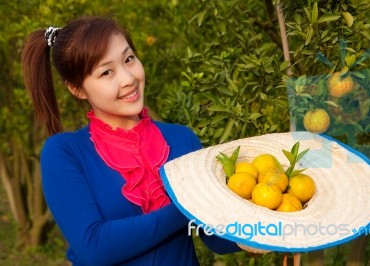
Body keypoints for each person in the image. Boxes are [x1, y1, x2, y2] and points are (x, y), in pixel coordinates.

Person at [21, 16, 240, 265]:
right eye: (106, 72)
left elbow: (214, 237)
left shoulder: (182, 140)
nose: (128, 78)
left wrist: (260, 222)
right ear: (77, 89)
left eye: (129, 59)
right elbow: (95, 247)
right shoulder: (65, 153)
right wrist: (190, 204)